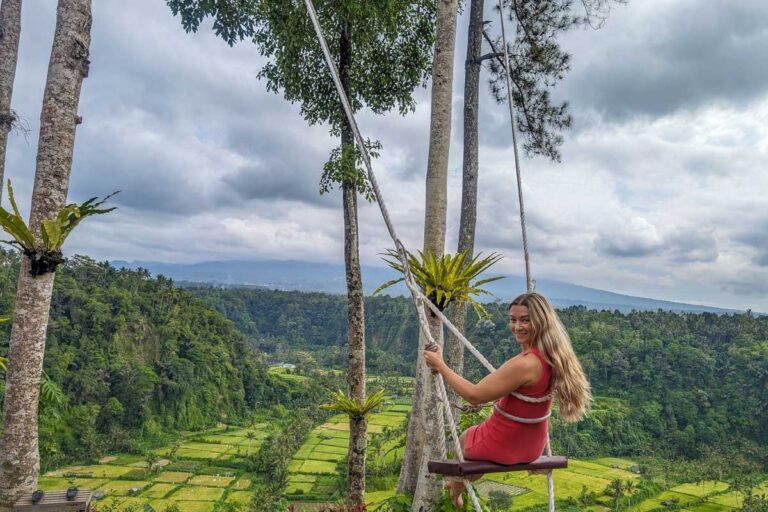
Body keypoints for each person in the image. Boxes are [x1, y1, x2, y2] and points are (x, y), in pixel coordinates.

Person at [423, 291, 591, 507]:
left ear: (540, 322)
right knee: (474, 451)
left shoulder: (525, 364)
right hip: (532, 448)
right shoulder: (555, 357)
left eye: (525, 320)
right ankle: (456, 486)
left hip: (503, 446)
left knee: (466, 440)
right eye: (513, 320)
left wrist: (440, 365)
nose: (517, 326)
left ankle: (455, 490)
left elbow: (474, 396)